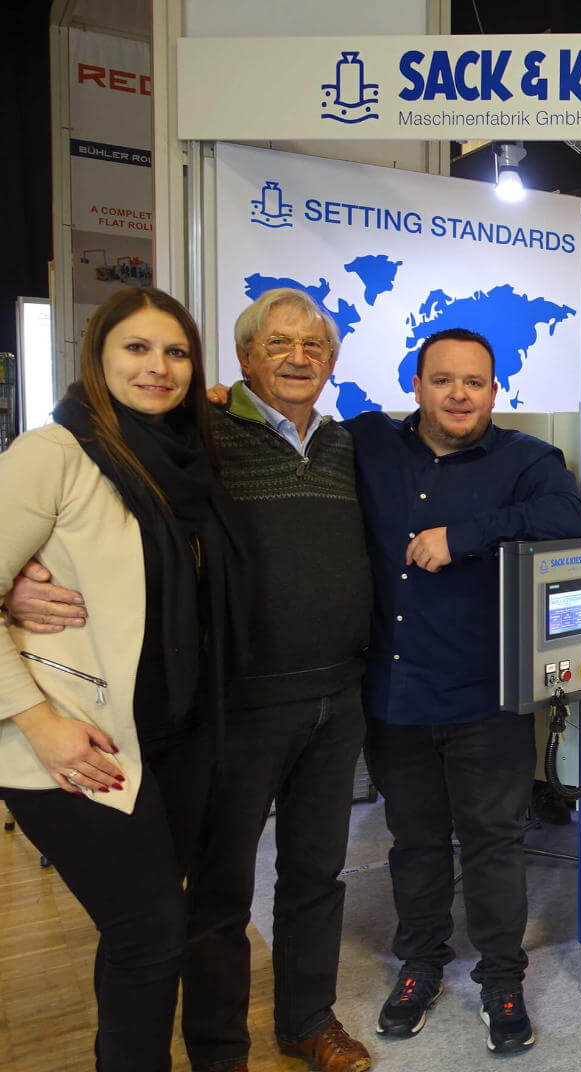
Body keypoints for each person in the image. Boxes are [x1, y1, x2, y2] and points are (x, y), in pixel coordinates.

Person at [7, 287, 374, 1072]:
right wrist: (14, 591)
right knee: (217, 892)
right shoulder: (204, 438)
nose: (298, 358)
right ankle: (219, 1051)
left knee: (316, 874)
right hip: (235, 702)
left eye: (314, 346)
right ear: (243, 360)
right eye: (277, 344)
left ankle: (308, 1021)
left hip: (334, 697)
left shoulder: (346, 445)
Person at [0, 287, 247, 1071]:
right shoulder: (53, 453)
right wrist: (38, 722)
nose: (157, 367)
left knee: (142, 933)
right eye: (136, 348)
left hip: (171, 735)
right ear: (97, 357)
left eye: (175, 352)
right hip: (73, 744)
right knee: (150, 931)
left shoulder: (190, 459)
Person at [345, 327, 581, 1057]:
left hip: (485, 695)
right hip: (395, 692)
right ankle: (420, 965)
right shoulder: (368, 443)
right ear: (416, 386)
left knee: (493, 843)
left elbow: (565, 520)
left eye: (475, 382)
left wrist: (465, 534)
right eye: (444, 380)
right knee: (415, 842)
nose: (459, 395)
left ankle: (501, 979)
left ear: (494, 391)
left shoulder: (529, 461)